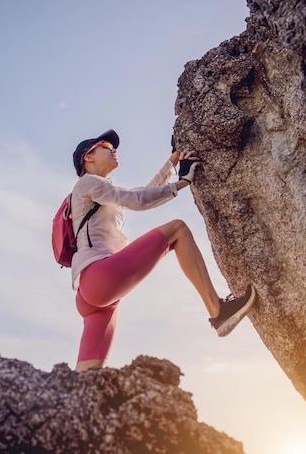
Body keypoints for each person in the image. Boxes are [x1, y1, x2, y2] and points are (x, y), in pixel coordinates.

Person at [70, 129, 256, 371]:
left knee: (88, 375)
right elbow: (138, 201)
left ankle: (75, 405)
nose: (113, 149)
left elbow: (143, 192)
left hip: (92, 293)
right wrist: (183, 183)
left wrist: (173, 160)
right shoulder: (87, 183)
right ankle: (218, 311)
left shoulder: (99, 189)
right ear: (88, 157)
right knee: (177, 230)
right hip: (100, 276)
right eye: (105, 145)